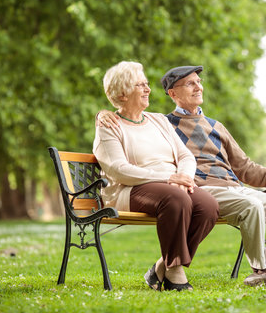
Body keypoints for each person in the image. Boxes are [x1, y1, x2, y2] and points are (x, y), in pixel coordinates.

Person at [98, 65, 266, 288]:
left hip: (222, 187)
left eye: (199, 81)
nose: (198, 86)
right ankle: (257, 271)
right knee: (244, 204)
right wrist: (103, 113)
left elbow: (244, 167)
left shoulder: (207, 126)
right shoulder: (167, 122)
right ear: (172, 94)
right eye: (190, 83)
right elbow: (123, 146)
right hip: (191, 187)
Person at [93, 61, 219, 292]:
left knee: (208, 206)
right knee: (176, 199)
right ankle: (174, 274)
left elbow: (185, 155)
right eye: (139, 85)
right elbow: (119, 170)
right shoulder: (108, 126)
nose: (148, 89)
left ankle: (163, 265)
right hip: (129, 189)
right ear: (121, 94)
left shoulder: (158, 120)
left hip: (170, 185)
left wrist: (184, 176)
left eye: (146, 84)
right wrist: (169, 178)